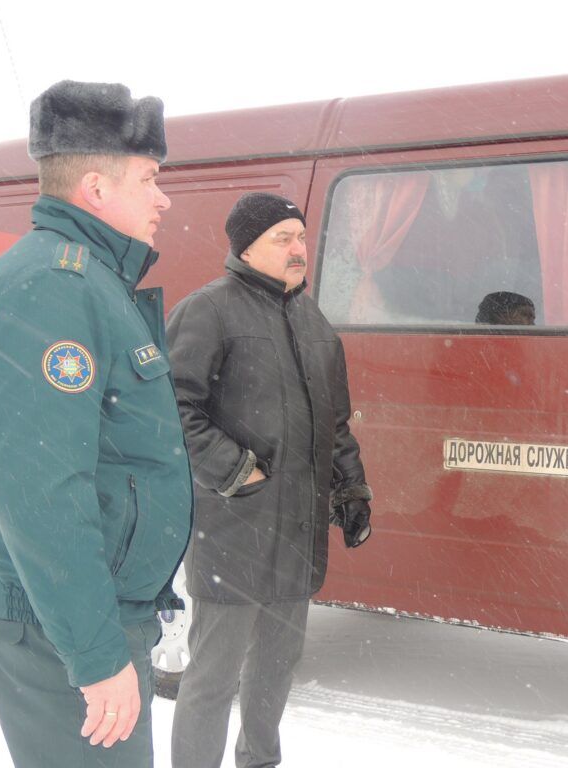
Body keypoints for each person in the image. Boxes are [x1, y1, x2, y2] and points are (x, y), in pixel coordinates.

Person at [0, 81, 192, 767]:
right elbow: (42, 493)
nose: (164, 197)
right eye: (150, 178)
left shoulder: (89, 281)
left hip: (85, 608)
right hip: (58, 619)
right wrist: (94, 656)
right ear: (95, 187)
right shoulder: (53, 287)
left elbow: (116, 466)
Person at [167, 192, 372, 768]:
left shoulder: (313, 322)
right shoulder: (208, 310)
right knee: (213, 678)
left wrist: (351, 489)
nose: (297, 248)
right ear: (246, 246)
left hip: (296, 533)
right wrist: (234, 469)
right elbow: (172, 408)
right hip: (233, 530)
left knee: (275, 673)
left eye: (301, 237)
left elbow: (333, 424)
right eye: (282, 238)